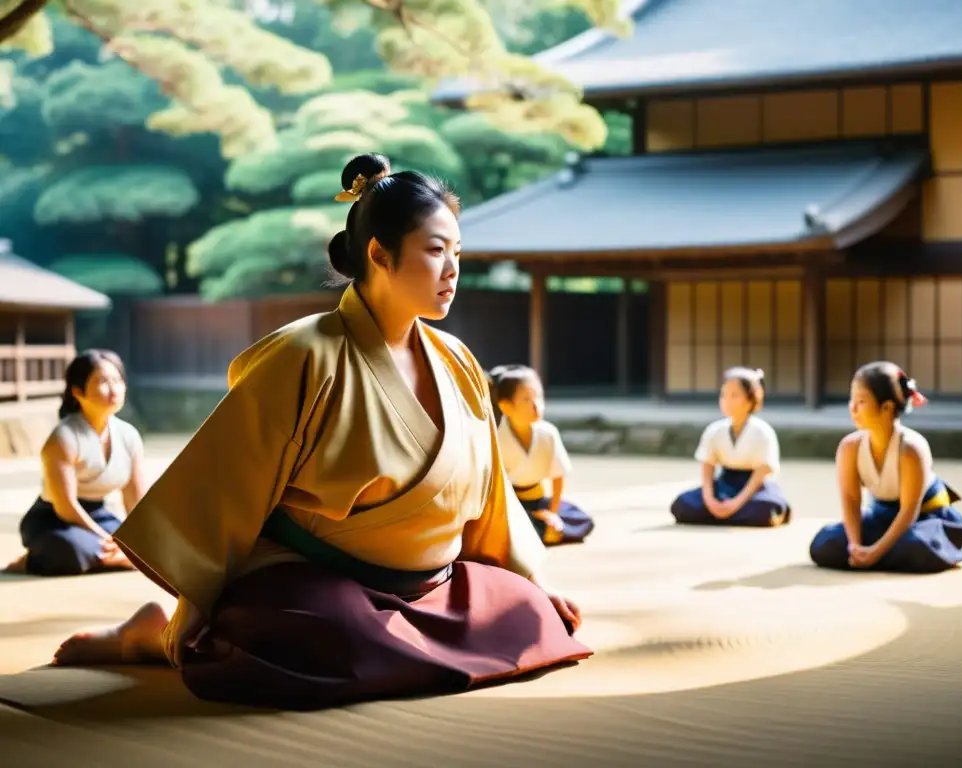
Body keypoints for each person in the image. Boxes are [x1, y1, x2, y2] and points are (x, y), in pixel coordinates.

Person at [51, 153, 590, 711]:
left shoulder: (457, 362)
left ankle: (413, 642)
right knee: (309, 641)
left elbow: (490, 495)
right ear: (380, 254)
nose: (453, 269)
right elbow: (229, 482)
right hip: (320, 584)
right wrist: (195, 602)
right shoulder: (305, 354)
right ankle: (151, 635)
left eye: (457, 253)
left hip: (433, 587)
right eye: (435, 251)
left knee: (532, 618)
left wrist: (530, 580)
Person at [809, 362, 962, 573]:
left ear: (886, 407)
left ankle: (881, 555)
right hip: (881, 517)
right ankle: (879, 555)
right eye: (852, 399)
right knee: (825, 544)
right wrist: (855, 545)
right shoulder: (849, 447)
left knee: (915, 547)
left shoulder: (911, 449)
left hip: (924, 519)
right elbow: (851, 499)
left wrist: (875, 552)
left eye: (861, 401)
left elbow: (908, 512)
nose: (853, 408)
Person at [3, 350, 144, 576]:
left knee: (146, 550)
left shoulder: (129, 436)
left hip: (99, 515)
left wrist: (135, 542)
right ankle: (34, 559)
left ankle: (101, 556)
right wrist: (109, 540)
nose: (113, 389)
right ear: (77, 391)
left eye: (117, 381)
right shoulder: (64, 438)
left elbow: (135, 502)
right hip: (54, 520)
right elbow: (65, 507)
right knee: (71, 551)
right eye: (102, 382)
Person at [670, 367, 791, 527]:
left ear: (750, 399)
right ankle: (726, 514)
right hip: (724, 484)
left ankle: (723, 515)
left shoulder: (763, 432)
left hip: (754, 488)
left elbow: (761, 473)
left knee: (766, 507)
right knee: (682, 504)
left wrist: (735, 504)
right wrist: (710, 500)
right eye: (723, 395)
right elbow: (708, 467)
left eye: (734, 396)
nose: (727, 400)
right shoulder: (715, 430)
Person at [489, 364, 595, 546]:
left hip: (539, 501)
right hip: (510, 505)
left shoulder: (548, 433)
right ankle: (539, 529)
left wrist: (552, 513)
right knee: (506, 527)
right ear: (506, 406)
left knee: (583, 521)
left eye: (538, 397)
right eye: (526, 400)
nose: (536, 405)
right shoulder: (496, 435)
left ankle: (543, 528)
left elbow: (558, 476)